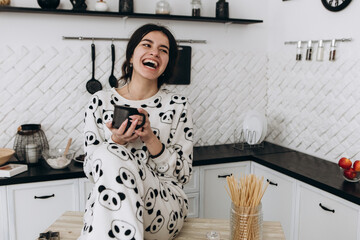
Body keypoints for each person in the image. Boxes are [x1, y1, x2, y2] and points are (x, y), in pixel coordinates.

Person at [79, 23, 194, 240]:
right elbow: (91, 170)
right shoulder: (100, 102)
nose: (154, 52)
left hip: (163, 207)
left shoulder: (178, 105)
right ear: (131, 56)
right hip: (111, 204)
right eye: (147, 45)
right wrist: (117, 140)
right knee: (108, 152)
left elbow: (183, 174)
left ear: (167, 63)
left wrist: (151, 139)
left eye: (163, 50)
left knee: (109, 152)